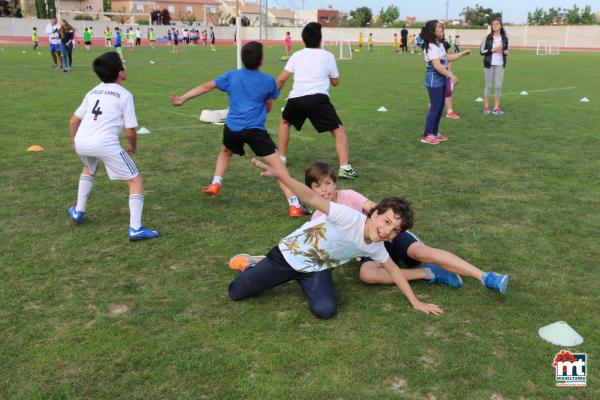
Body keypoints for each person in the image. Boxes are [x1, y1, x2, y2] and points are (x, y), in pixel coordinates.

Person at [228, 158, 444, 319]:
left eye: (395, 230)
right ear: (375, 213)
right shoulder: (347, 216)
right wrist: (281, 176)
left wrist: (416, 302)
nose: (388, 231)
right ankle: (253, 266)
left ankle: (298, 278)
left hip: (316, 268)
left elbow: (394, 271)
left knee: (325, 311)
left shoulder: (376, 246)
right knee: (236, 293)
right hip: (287, 257)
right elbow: (310, 197)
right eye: (387, 222)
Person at [170, 41, 310, 218]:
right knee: (278, 167)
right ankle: (294, 205)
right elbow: (268, 106)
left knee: (225, 151)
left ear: (243, 60)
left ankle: (216, 183)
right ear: (261, 61)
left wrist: (183, 98)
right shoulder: (268, 80)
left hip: (232, 128)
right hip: (255, 131)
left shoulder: (231, 76)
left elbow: (206, 86)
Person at [68, 52, 159, 241]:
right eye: (123, 65)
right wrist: (133, 146)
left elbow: (73, 121)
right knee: (136, 181)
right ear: (120, 73)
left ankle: (78, 210)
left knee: (89, 167)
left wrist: (74, 141)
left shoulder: (92, 91)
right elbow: (130, 131)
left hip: (82, 141)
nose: (126, 68)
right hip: (104, 143)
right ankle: (135, 228)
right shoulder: (125, 95)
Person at [276, 22, 359, 179]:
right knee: (338, 130)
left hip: (296, 98)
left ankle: (281, 158)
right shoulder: (328, 56)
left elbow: (281, 79)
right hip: (318, 99)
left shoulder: (296, 55)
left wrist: (273, 94)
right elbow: (335, 82)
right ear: (320, 39)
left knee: (285, 122)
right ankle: (345, 167)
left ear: (303, 39)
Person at [419, 20, 470, 145]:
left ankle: (435, 133)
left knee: (440, 107)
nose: (441, 28)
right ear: (432, 31)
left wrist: (461, 54)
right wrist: (451, 76)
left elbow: (446, 58)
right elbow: (437, 65)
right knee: (435, 107)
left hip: (441, 78)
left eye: (441, 26)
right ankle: (426, 135)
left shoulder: (439, 44)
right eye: (438, 27)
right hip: (434, 79)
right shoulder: (431, 46)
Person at [480, 19, 509, 115]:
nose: (495, 25)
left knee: (498, 86)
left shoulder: (505, 38)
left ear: (501, 26)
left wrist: (506, 52)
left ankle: (496, 108)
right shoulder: (487, 38)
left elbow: (506, 50)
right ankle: (486, 107)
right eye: (493, 24)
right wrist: (492, 49)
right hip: (489, 64)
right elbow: (482, 51)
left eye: (497, 24)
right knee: (488, 86)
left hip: (500, 64)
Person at [443, 40, 460, 120]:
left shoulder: (445, 43)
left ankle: (449, 111)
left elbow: (450, 57)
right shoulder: (431, 44)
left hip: (445, 71)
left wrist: (449, 71)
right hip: (435, 72)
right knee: (440, 90)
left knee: (448, 90)